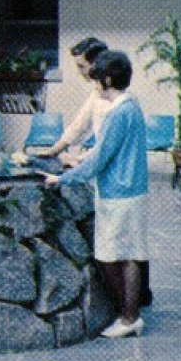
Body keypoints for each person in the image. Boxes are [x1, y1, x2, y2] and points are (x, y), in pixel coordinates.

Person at [44, 50, 149, 338]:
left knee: (111, 256)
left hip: (119, 193)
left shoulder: (119, 113)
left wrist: (63, 178)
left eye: (97, 80)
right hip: (133, 190)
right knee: (129, 255)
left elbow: (101, 156)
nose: (95, 86)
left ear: (108, 79)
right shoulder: (133, 106)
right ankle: (130, 315)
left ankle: (129, 317)